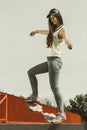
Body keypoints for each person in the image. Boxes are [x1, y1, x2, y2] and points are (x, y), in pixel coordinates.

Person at [26, 8, 73, 124]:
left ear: (59, 17)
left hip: (56, 61)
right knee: (31, 72)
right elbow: (46, 32)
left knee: (55, 87)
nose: (53, 20)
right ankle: (35, 96)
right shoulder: (52, 30)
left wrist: (69, 44)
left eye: (54, 17)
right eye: (51, 18)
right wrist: (36, 31)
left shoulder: (62, 29)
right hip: (49, 62)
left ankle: (61, 113)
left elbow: (66, 38)